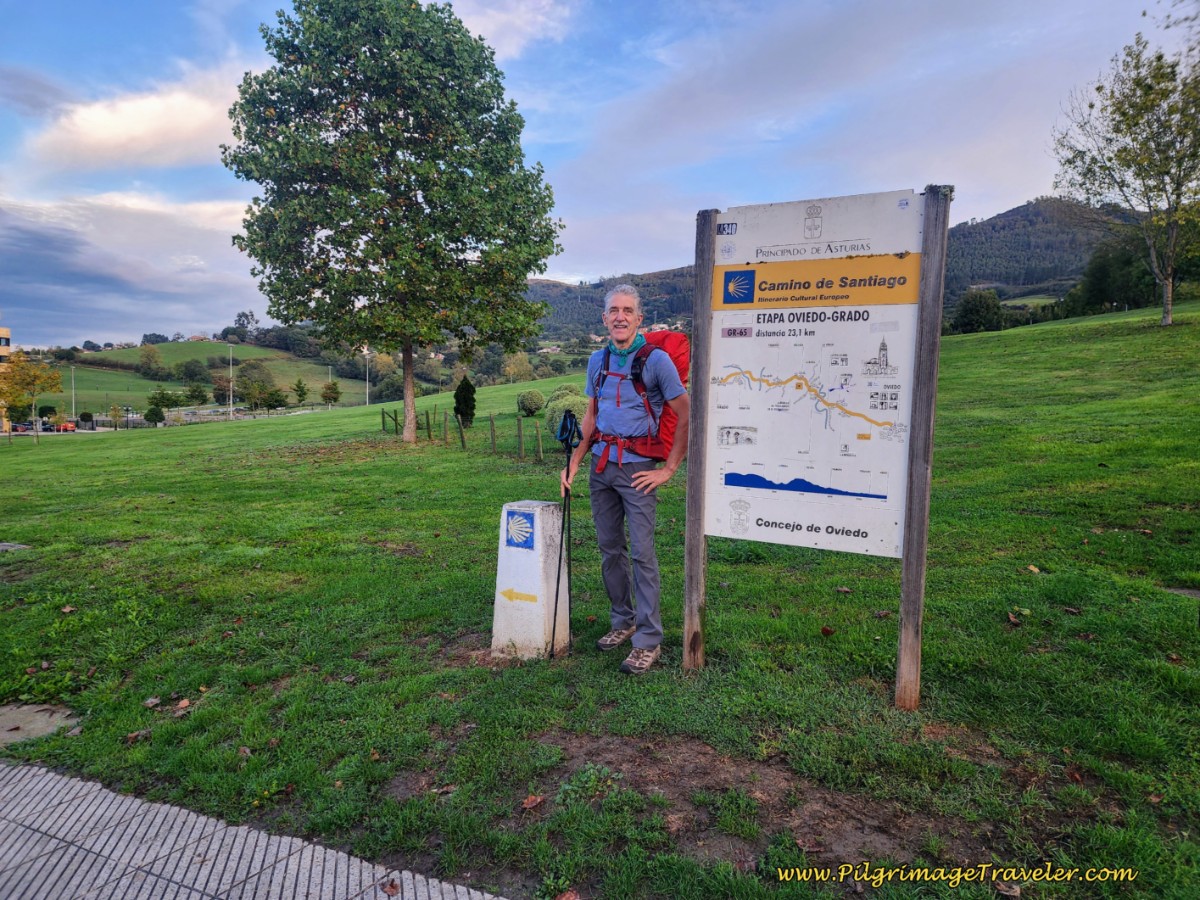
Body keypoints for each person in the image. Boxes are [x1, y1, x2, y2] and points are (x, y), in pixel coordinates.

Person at [561, 285, 689, 675]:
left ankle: (648, 639)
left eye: (627, 310)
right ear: (604, 319)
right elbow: (591, 415)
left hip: (638, 471)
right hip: (601, 466)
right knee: (609, 549)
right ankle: (623, 621)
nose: (619, 316)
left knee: (642, 554)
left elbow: (685, 413)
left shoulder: (656, 361)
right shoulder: (597, 361)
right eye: (613, 310)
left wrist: (668, 469)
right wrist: (576, 462)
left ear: (639, 319)